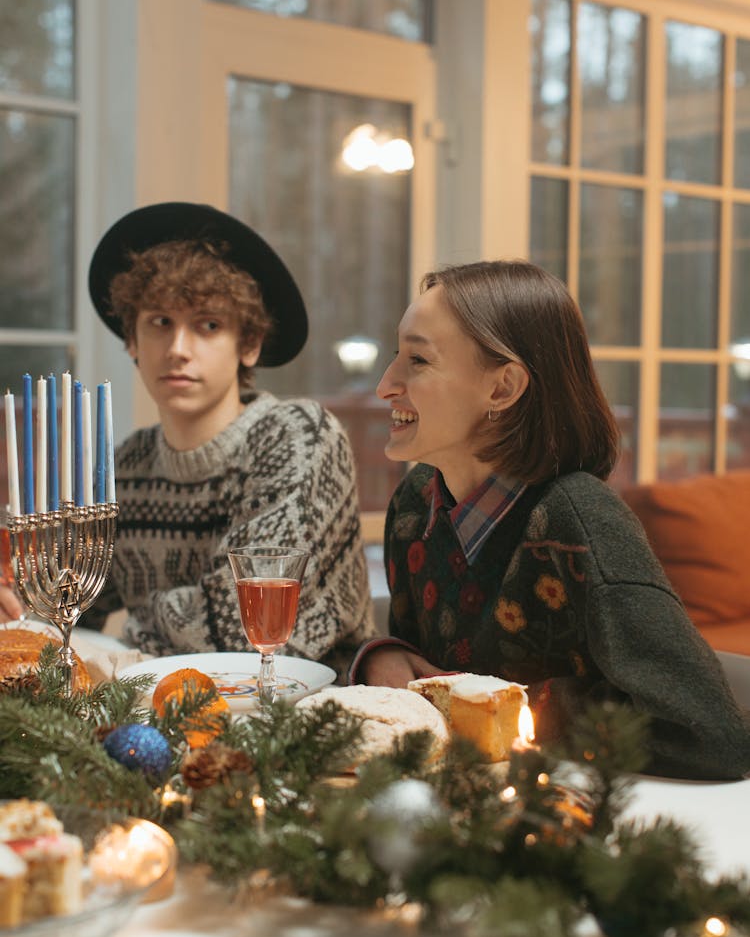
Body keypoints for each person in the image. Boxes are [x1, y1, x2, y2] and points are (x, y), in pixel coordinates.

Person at [350, 259, 750, 780]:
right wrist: (386, 657)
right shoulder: (414, 503)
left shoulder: (581, 520)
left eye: (418, 360)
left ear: (503, 389)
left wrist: (512, 707)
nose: (385, 385)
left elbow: (710, 735)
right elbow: (433, 682)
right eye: (396, 356)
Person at [0, 202, 373, 677]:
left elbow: (245, 631)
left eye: (208, 325)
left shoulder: (298, 436)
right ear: (131, 340)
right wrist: (18, 598)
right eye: (160, 323)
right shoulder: (130, 464)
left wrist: (139, 620)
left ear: (249, 344)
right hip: (162, 720)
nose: (177, 349)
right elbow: (62, 601)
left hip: (304, 720)